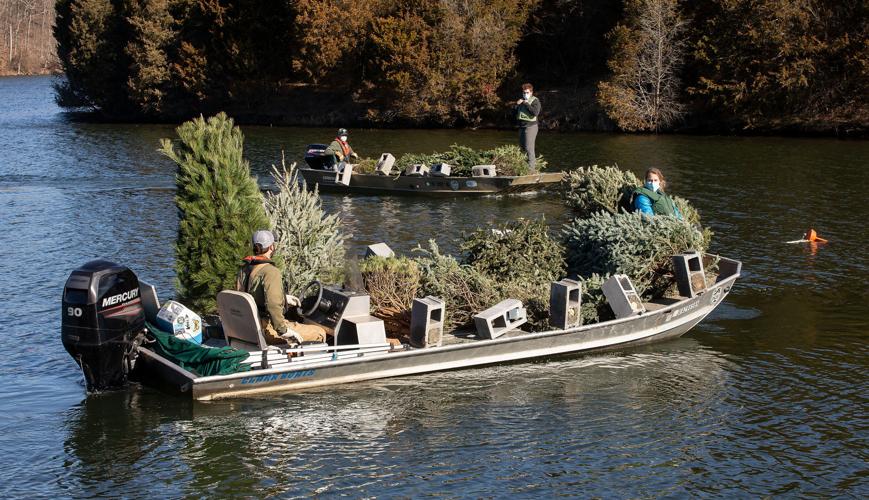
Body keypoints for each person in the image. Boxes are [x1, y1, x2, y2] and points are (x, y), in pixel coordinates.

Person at [236, 230, 327, 345]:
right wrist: (284, 331)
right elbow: (273, 305)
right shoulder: (271, 272)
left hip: (248, 328)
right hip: (267, 329)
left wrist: (283, 298)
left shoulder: (244, 269)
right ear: (271, 247)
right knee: (320, 332)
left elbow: (250, 298)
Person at [515, 83, 541, 171]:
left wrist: (526, 104)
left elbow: (535, 112)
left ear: (531, 92)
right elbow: (514, 113)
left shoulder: (535, 101)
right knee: (522, 148)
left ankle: (531, 171)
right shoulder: (521, 101)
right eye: (523, 93)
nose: (525, 94)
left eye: (527, 92)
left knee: (529, 148)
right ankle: (523, 169)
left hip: (531, 127)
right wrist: (516, 105)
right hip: (521, 127)